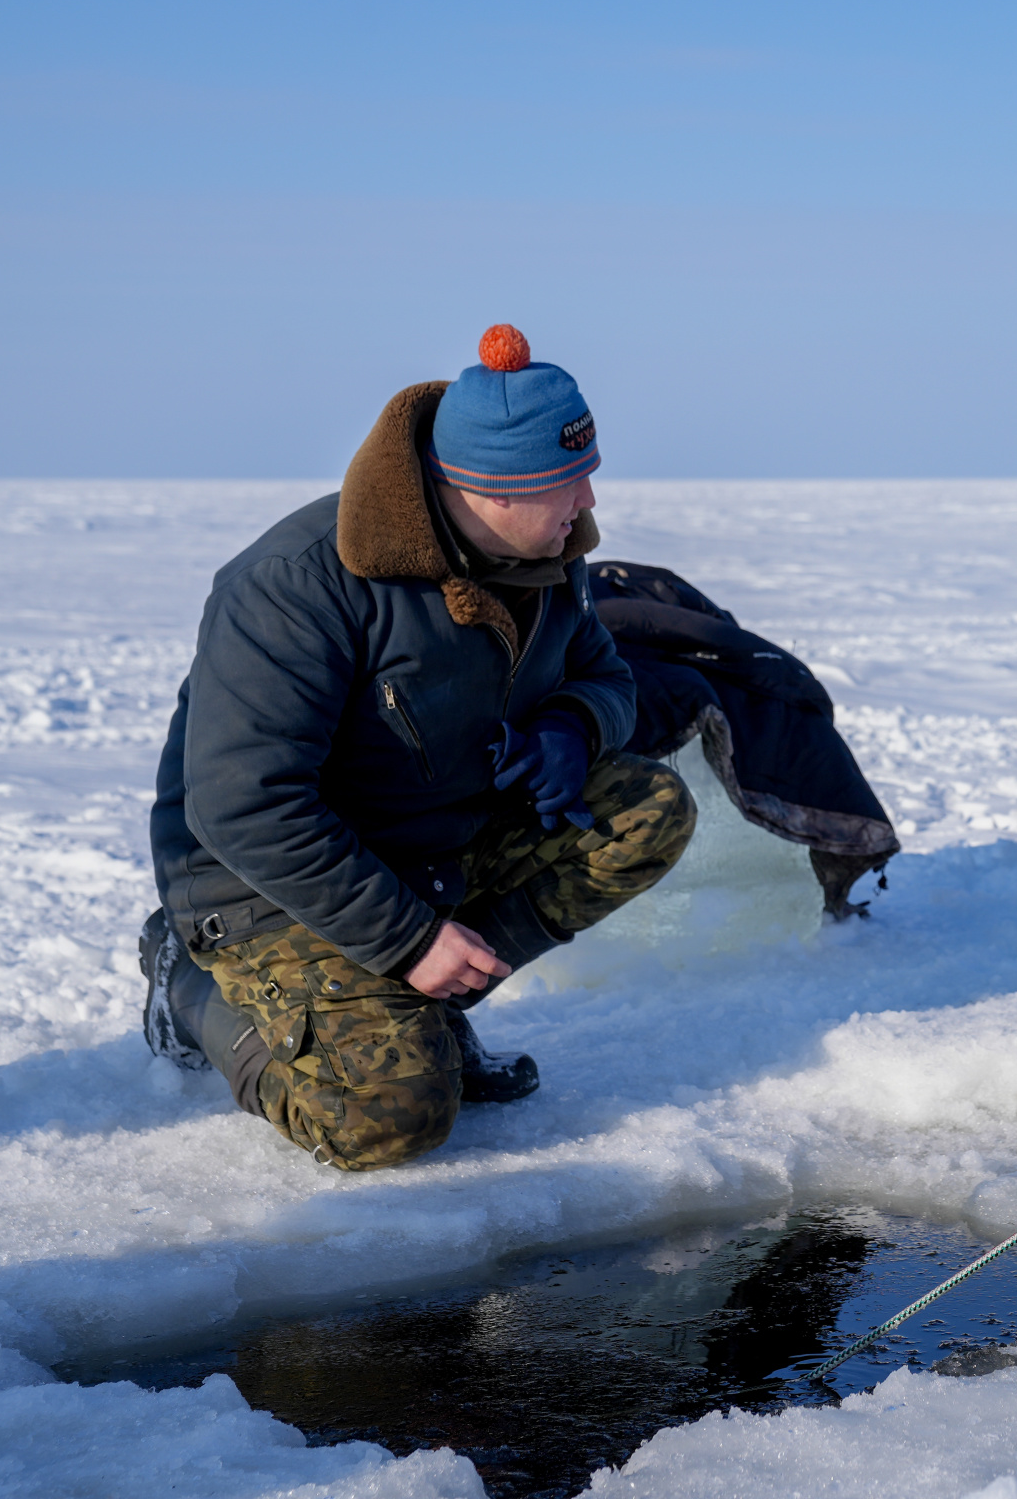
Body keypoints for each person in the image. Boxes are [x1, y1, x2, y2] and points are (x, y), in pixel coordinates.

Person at [138, 325, 695, 1170]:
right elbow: (239, 805)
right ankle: (187, 992)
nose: (588, 502)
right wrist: (406, 941)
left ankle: (425, 1010)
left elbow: (610, 677)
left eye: (589, 474)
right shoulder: (299, 584)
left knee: (644, 810)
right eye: (568, 482)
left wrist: (573, 726)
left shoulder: (549, 562)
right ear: (491, 488)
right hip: (263, 883)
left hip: (433, 842)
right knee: (389, 1118)